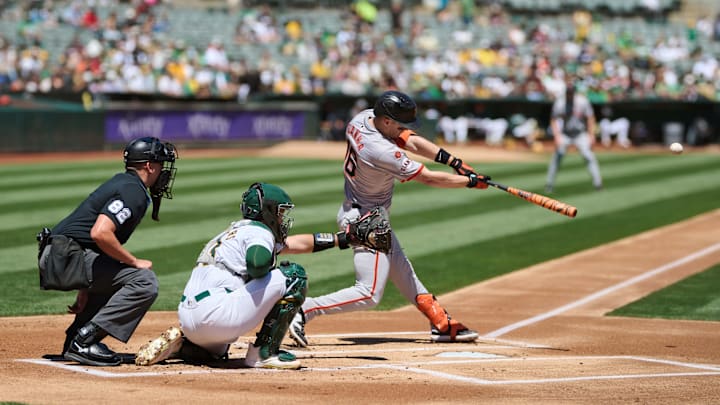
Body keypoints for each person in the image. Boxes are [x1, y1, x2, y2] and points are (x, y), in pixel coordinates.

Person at [289, 90, 491, 348]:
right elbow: (427, 177)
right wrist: (469, 182)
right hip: (364, 221)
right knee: (369, 293)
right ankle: (304, 309)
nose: (402, 129)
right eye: (398, 124)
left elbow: (408, 138)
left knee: (402, 269)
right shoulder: (380, 150)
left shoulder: (363, 118)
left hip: (367, 214)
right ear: (386, 121)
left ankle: (440, 323)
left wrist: (454, 161)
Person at [135, 182, 388, 370]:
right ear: (267, 212)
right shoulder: (259, 234)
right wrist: (269, 275)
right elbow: (257, 264)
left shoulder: (235, 232)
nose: (282, 218)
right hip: (217, 316)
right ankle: (263, 353)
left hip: (192, 318)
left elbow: (295, 243)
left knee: (218, 352)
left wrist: (342, 239)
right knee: (293, 275)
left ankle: (185, 346)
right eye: (279, 212)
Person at [36, 136, 178, 367]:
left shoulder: (124, 183)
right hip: (65, 257)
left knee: (116, 275)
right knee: (143, 280)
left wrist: (86, 287)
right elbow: (100, 233)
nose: (164, 172)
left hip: (60, 255)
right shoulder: (133, 191)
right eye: (161, 164)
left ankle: (76, 338)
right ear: (149, 166)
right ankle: (85, 340)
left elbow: (88, 241)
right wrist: (134, 261)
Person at [544, 77, 603, 193]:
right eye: (568, 92)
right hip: (565, 134)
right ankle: (549, 185)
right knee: (557, 157)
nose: (569, 94)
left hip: (580, 134)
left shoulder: (582, 101)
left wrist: (591, 135)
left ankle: (598, 183)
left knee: (588, 156)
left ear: (574, 92)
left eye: (571, 92)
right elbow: (553, 119)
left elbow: (590, 118)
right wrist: (557, 136)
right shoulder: (560, 102)